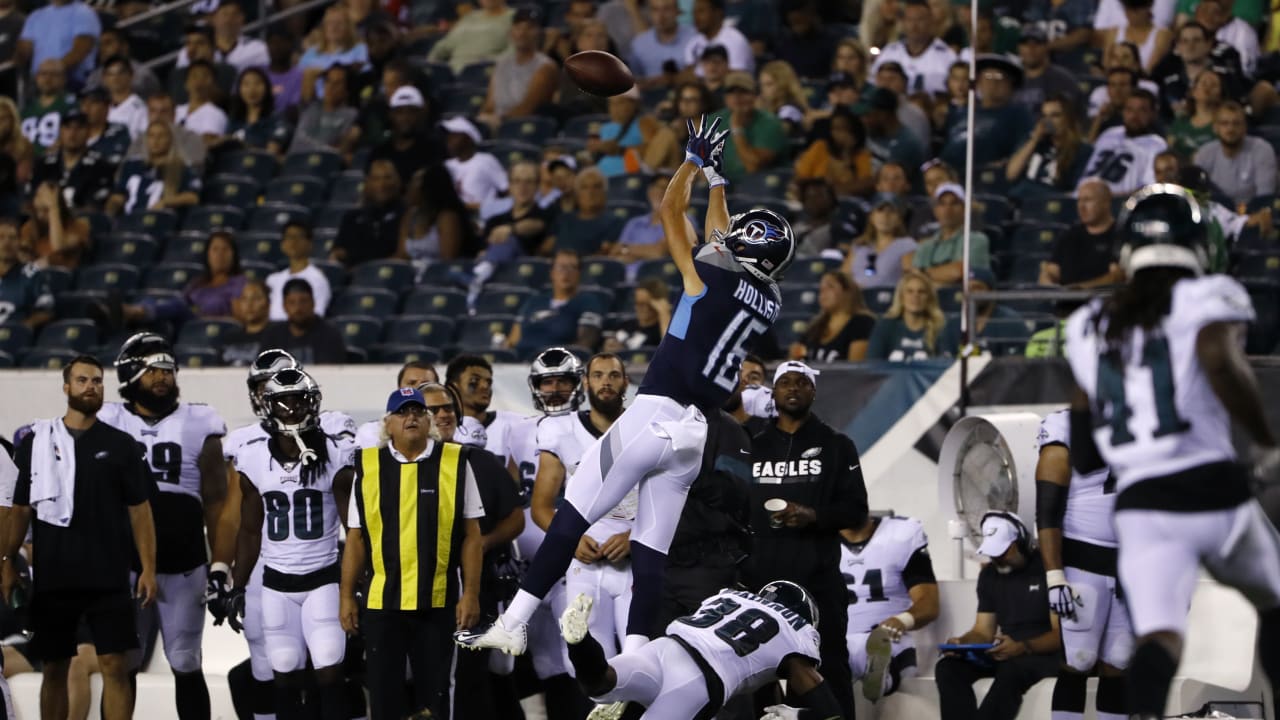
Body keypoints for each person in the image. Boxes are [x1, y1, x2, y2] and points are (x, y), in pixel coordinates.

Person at [456, 115, 792, 657]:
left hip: (657, 412)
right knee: (651, 550)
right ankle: (636, 655)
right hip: (698, 431)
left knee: (572, 514)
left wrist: (691, 162)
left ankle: (515, 620)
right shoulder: (768, 299)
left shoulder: (712, 273)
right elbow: (718, 236)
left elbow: (670, 212)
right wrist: (719, 182)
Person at [1064, 184, 1280, 720]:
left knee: (1158, 641)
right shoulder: (1206, 296)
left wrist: (1098, 454)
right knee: (1274, 604)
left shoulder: (1088, 323)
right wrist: (1265, 440)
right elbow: (1216, 353)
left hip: (1141, 504)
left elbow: (1083, 415)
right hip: (1211, 487)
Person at [1, 355, 157, 720]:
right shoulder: (37, 442)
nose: (91, 387)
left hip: (108, 575)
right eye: (83, 380)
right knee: (54, 667)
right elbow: (21, 509)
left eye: (98, 381)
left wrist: (149, 567)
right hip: (56, 577)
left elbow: (141, 511)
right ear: (67, 387)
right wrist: (7, 563)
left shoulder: (120, 445)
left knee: (115, 665)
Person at [95, 334, 228, 720]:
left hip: (183, 559)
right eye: (153, 369)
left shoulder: (200, 420)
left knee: (186, 661)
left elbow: (217, 501)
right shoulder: (107, 420)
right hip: (124, 562)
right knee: (123, 663)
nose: (162, 377)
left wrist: (220, 564)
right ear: (130, 373)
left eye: (168, 368)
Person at [340, 387, 487, 720]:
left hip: (437, 600)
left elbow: (473, 538)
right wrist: (347, 595)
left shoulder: (455, 461)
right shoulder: (367, 467)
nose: (411, 418)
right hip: (382, 602)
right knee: (383, 695)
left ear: (429, 420)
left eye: (418, 412)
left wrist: (472, 594)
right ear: (388, 423)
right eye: (403, 412)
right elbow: (356, 539)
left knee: (435, 696)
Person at [226, 368, 353, 720]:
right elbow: (250, 530)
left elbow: (354, 528)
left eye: (299, 399)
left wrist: (361, 577)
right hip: (276, 584)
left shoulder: (336, 455)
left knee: (329, 667)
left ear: (313, 402)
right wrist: (237, 586)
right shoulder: (252, 458)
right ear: (269, 406)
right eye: (284, 401)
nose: (293, 408)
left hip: (323, 579)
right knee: (283, 671)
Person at [744, 360, 868, 718]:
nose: (793, 389)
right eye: (785, 382)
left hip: (818, 581)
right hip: (758, 582)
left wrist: (812, 515)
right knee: (755, 671)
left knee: (827, 664)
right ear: (774, 391)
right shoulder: (753, 443)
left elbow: (856, 510)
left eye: (801, 383)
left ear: (813, 391)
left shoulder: (837, 445)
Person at [558, 581, 846, 719]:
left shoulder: (733, 595)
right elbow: (831, 715)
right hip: (699, 679)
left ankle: (581, 643)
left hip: (665, 648)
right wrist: (799, 717)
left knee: (600, 683)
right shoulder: (794, 632)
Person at [528, 352, 632, 714]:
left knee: (642, 653)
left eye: (614, 375)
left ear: (626, 383)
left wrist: (634, 538)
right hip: (585, 562)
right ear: (586, 383)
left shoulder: (645, 427)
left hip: (636, 558)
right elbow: (541, 506)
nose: (606, 381)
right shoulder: (561, 431)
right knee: (585, 659)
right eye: (598, 375)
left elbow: (668, 501)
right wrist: (569, 538)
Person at [1034, 410, 1132, 720]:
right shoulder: (1065, 425)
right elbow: (1047, 509)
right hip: (1082, 562)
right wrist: (1054, 575)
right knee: (1078, 659)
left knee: (1120, 661)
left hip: (1130, 564)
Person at [935, 512, 1061, 720]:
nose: (997, 558)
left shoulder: (1047, 569)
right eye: (993, 553)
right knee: (948, 668)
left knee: (1012, 671)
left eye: (1002, 551)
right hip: (1006, 651)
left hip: (1042, 653)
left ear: (1021, 542)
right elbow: (983, 631)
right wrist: (962, 643)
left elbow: (1060, 636)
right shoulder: (989, 575)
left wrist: (1024, 646)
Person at [839, 512, 939, 702]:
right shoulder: (819, 543)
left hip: (889, 637)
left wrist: (902, 620)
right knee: (820, 661)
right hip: (842, 642)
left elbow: (929, 603)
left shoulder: (900, 535)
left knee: (880, 648)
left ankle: (883, 675)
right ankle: (876, 673)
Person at [939, 53, 1033, 173]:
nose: (992, 83)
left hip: (985, 180)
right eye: (987, 76)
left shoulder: (1018, 115)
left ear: (1012, 84)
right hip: (946, 177)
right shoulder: (963, 112)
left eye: (999, 77)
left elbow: (1019, 156)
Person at [507, 249, 606, 360]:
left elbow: (583, 346)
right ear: (552, 273)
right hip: (520, 363)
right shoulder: (534, 301)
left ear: (580, 273)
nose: (566, 273)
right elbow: (513, 340)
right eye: (561, 267)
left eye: (572, 267)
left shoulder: (588, 302)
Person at [478, 6, 557, 130]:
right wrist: (483, 119)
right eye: (518, 27)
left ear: (540, 32)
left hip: (523, 127)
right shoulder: (502, 63)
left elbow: (527, 108)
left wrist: (498, 120)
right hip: (495, 124)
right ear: (511, 32)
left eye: (529, 28)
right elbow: (490, 105)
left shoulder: (545, 66)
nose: (522, 33)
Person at [105, 121, 201, 217]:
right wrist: (111, 209)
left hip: (162, 222)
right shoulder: (132, 165)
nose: (156, 140)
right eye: (151, 136)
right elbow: (119, 195)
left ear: (170, 139)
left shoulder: (182, 168)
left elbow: (192, 197)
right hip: (130, 221)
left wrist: (165, 202)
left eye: (161, 136)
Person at [1040, 178, 1124, 288]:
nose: (1081, 206)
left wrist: (1081, 289)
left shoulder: (1120, 235)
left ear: (1106, 203)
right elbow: (1051, 271)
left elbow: (1117, 276)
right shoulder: (1069, 235)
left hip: (1102, 301)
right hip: (1065, 301)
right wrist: (1048, 280)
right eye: (1079, 200)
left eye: (1087, 200)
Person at [1081, 89, 1167, 196]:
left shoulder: (1156, 145)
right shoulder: (1109, 134)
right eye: (1129, 109)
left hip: (1117, 203)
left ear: (1153, 114)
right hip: (1080, 197)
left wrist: (1108, 199)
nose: (1134, 116)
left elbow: (1149, 188)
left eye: (1142, 110)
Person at [29, 108, 115, 212]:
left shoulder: (101, 166)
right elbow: (29, 201)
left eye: (79, 128)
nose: (73, 133)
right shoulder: (43, 164)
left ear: (89, 132)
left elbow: (95, 208)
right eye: (67, 127)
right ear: (60, 131)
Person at [1007, 95, 1094, 197]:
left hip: (1053, 203)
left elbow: (1077, 192)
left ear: (1069, 118)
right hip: (1024, 203)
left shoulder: (1082, 150)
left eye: (1055, 115)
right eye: (1044, 116)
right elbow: (1011, 174)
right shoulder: (1034, 143)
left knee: (1025, 188)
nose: (1048, 121)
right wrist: (1034, 140)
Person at [711, 72, 789, 185]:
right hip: (720, 186)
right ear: (725, 98)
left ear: (755, 96)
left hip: (760, 186)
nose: (737, 97)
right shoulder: (713, 121)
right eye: (731, 92)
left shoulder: (771, 124)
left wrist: (737, 129)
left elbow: (753, 168)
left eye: (743, 92)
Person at [445, 353, 524, 463]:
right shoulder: (440, 427)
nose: (485, 386)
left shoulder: (515, 424)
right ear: (453, 387)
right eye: (474, 380)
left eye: (488, 382)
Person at [1194, 101, 1277, 205]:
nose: (1230, 129)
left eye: (1236, 123)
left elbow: (1265, 196)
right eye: (1224, 123)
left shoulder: (1262, 149)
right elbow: (1197, 195)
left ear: (1245, 127)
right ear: (1215, 128)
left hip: (1253, 214)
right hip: (1216, 215)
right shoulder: (1204, 153)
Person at [865, 270, 960, 361]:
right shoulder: (885, 326)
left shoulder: (941, 327)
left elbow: (946, 366)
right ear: (901, 297)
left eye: (921, 291)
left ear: (929, 298)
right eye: (910, 291)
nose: (915, 296)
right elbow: (873, 365)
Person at [869, 0, 956, 97]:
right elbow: (873, 83)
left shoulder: (946, 56)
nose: (914, 26)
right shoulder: (889, 52)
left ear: (931, 21)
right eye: (909, 20)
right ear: (903, 22)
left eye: (920, 20)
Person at [913, 183, 992, 285]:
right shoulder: (925, 246)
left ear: (965, 209)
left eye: (954, 203)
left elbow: (961, 272)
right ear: (935, 210)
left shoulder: (976, 240)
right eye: (942, 204)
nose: (948, 209)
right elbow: (916, 281)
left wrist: (924, 273)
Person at [331, 159, 404, 267]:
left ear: (397, 181)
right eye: (376, 179)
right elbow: (338, 251)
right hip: (354, 278)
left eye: (387, 178)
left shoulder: (406, 215)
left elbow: (403, 255)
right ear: (367, 182)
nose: (382, 184)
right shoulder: (352, 217)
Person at [790, 272, 876, 363]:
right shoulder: (815, 327)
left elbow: (856, 368)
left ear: (847, 291)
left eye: (830, 286)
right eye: (821, 289)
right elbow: (797, 362)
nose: (823, 291)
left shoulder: (862, 322)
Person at [259, 279, 346, 365]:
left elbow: (330, 373)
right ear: (284, 306)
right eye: (292, 302)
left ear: (313, 303)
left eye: (303, 301)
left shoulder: (330, 334)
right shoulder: (273, 335)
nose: (298, 308)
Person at [15, 0, 100, 88]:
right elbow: (24, 50)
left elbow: (82, 48)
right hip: (39, 82)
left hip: (72, 81)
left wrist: (54, 70)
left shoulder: (84, 13)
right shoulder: (36, 15)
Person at [794, 106, 873, 197]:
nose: (837, 134)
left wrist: (848, 153)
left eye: (843, 129)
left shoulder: (862, 155)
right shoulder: (820, 147)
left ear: (853, 131)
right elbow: (801, 178)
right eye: (835, 129)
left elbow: (864, 186)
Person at [844, 194, 917, 289]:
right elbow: (843, 277)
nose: (885, 216)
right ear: (872, 217)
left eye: (891, 211)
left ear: (899, 219)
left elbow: (911, 279)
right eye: (880, 210)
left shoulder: (906, 245)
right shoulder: (859, 246)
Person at [548, 168, 626, 257]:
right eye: (584, 187)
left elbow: (606, 253)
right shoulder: (563, 220)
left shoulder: (615, 222)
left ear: (605, 192)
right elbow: (546, 249)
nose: (591, 192)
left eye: (596, 187)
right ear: (577, 194)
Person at [299, 6, 369, 103]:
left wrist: (320, 72)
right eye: (330, 23)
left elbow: (364, 75)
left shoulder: (360, 49)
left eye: (339, 23)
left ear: (348, 27)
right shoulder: (311, 53)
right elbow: (298, 81)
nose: (334, 27)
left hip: (347, 100)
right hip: (315, 103)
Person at [1011, 25, 1082, 117]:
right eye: (1025, 44)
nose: (1030, 48)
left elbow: (1070, 118)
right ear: (1018, 48)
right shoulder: (1011, 80)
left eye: (1036, 43)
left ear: (1046, 47)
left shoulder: (1063, 80)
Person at [426, 0, 513, 74]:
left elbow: (516, 50)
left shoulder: (514, 17)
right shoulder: (469, 17)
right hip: (452, 73)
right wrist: (431, 64)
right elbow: (444, 45)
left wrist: (490, 65)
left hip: (484, 73)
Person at [266, 221, 330, 321]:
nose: (293, 242)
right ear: (282, 245)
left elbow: (316, 315)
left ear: (310, 244)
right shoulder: (273, 279)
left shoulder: (317, 279)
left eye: (299, 237)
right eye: (289, 237)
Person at [180, 1, 268, 74]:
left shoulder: (258, 49)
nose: (229, 20)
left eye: (234, 15)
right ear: (213, 19)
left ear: (242, 19)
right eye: (224, 14)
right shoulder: (190, 50)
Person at [442, 115, 509, 211]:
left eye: (455, 136)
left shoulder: (485, 161)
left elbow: (507, 189)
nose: (449, 140)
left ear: (469, 138)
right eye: (448, 136)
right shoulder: (447, 165)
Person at [20, 182, 91, 269]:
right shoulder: (29, 228)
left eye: (46, 211)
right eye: (38, 211)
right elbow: (23, 254)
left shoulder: (79, 225)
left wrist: (53, 208)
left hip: (67, 277)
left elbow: (58, 246)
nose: (40, 216)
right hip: (37, 276)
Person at [289, 64, 357, 154]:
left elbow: (341, 150)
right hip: (295, 161)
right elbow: (309, 74)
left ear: (347, 90)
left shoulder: (350, 114)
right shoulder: (310, 106)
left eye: (337, 83)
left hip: (324, 162)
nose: (330, 87)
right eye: (328, 81)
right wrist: (323, 72)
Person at [628, 0, 696, 88]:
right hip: (651, 97)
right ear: (649, 13)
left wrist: (674, 79)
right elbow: (634, 79)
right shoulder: (639, 44)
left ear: (678, 11)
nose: (661, 16)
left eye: (667, 9)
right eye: (655, 10)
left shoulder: (695, 37)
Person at [0, 217, 53, 329]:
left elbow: (47, 311)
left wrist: (22, 328)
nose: (7, 242)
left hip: (13, 340)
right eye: (1, 237)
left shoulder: (32, 273)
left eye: (12, 238)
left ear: (19, 242)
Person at [1097, 0, 1173, 75]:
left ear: (1148, 8)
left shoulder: (1162, 35)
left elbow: (1150, 71)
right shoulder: (1113, 32)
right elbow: (1106, 66)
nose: (1131, 14)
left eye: (1136, 10)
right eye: (1128, 9)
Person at [682, 0, 753, 72]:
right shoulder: (693, 42)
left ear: (717, 13)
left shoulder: (735, 40)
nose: (696, 17)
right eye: (694, 12)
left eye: (701, 11)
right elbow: (688, 73)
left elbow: (737, 77)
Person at [1166, 70, 1222, 160]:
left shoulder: (1224, 123)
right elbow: (1169, 153)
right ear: (1193, 91)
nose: (1208, 88)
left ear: (1220, 94)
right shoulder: (1180, 122)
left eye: (1213, 85)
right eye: (1204, 83)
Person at [604, 279, 671, 352]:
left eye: (643, 304)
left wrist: (664, 313)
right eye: (637, 303)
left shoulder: (659, 332)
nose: (639, 308)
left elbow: (670, 350)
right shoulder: (625, 325)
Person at [220, 279, 272, 366]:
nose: (249, 304)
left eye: (256, 298)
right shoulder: (229, 337)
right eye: (244, 299)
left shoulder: (277, 336)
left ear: (268, 304)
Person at [100, 55, 148, 142]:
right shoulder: (101, 108)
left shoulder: (140, 108)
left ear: (131, 75)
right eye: (110, 74)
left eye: (120, 73)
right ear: (104, 79)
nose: (115, 78)